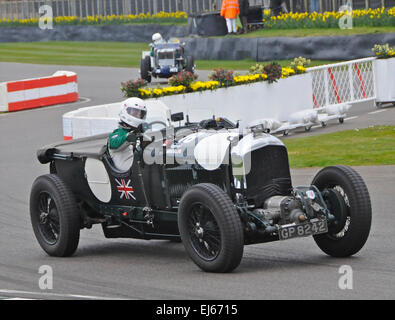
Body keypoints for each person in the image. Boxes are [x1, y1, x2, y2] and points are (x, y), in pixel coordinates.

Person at [108, 97, 147, 172]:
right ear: (125, 112)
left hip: (142, 170)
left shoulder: (140, 132)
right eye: (135, 113)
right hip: (128, 171)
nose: (138, 116)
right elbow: (113, 143)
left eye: (140, 114)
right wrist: (127, 137)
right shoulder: (119, 132)